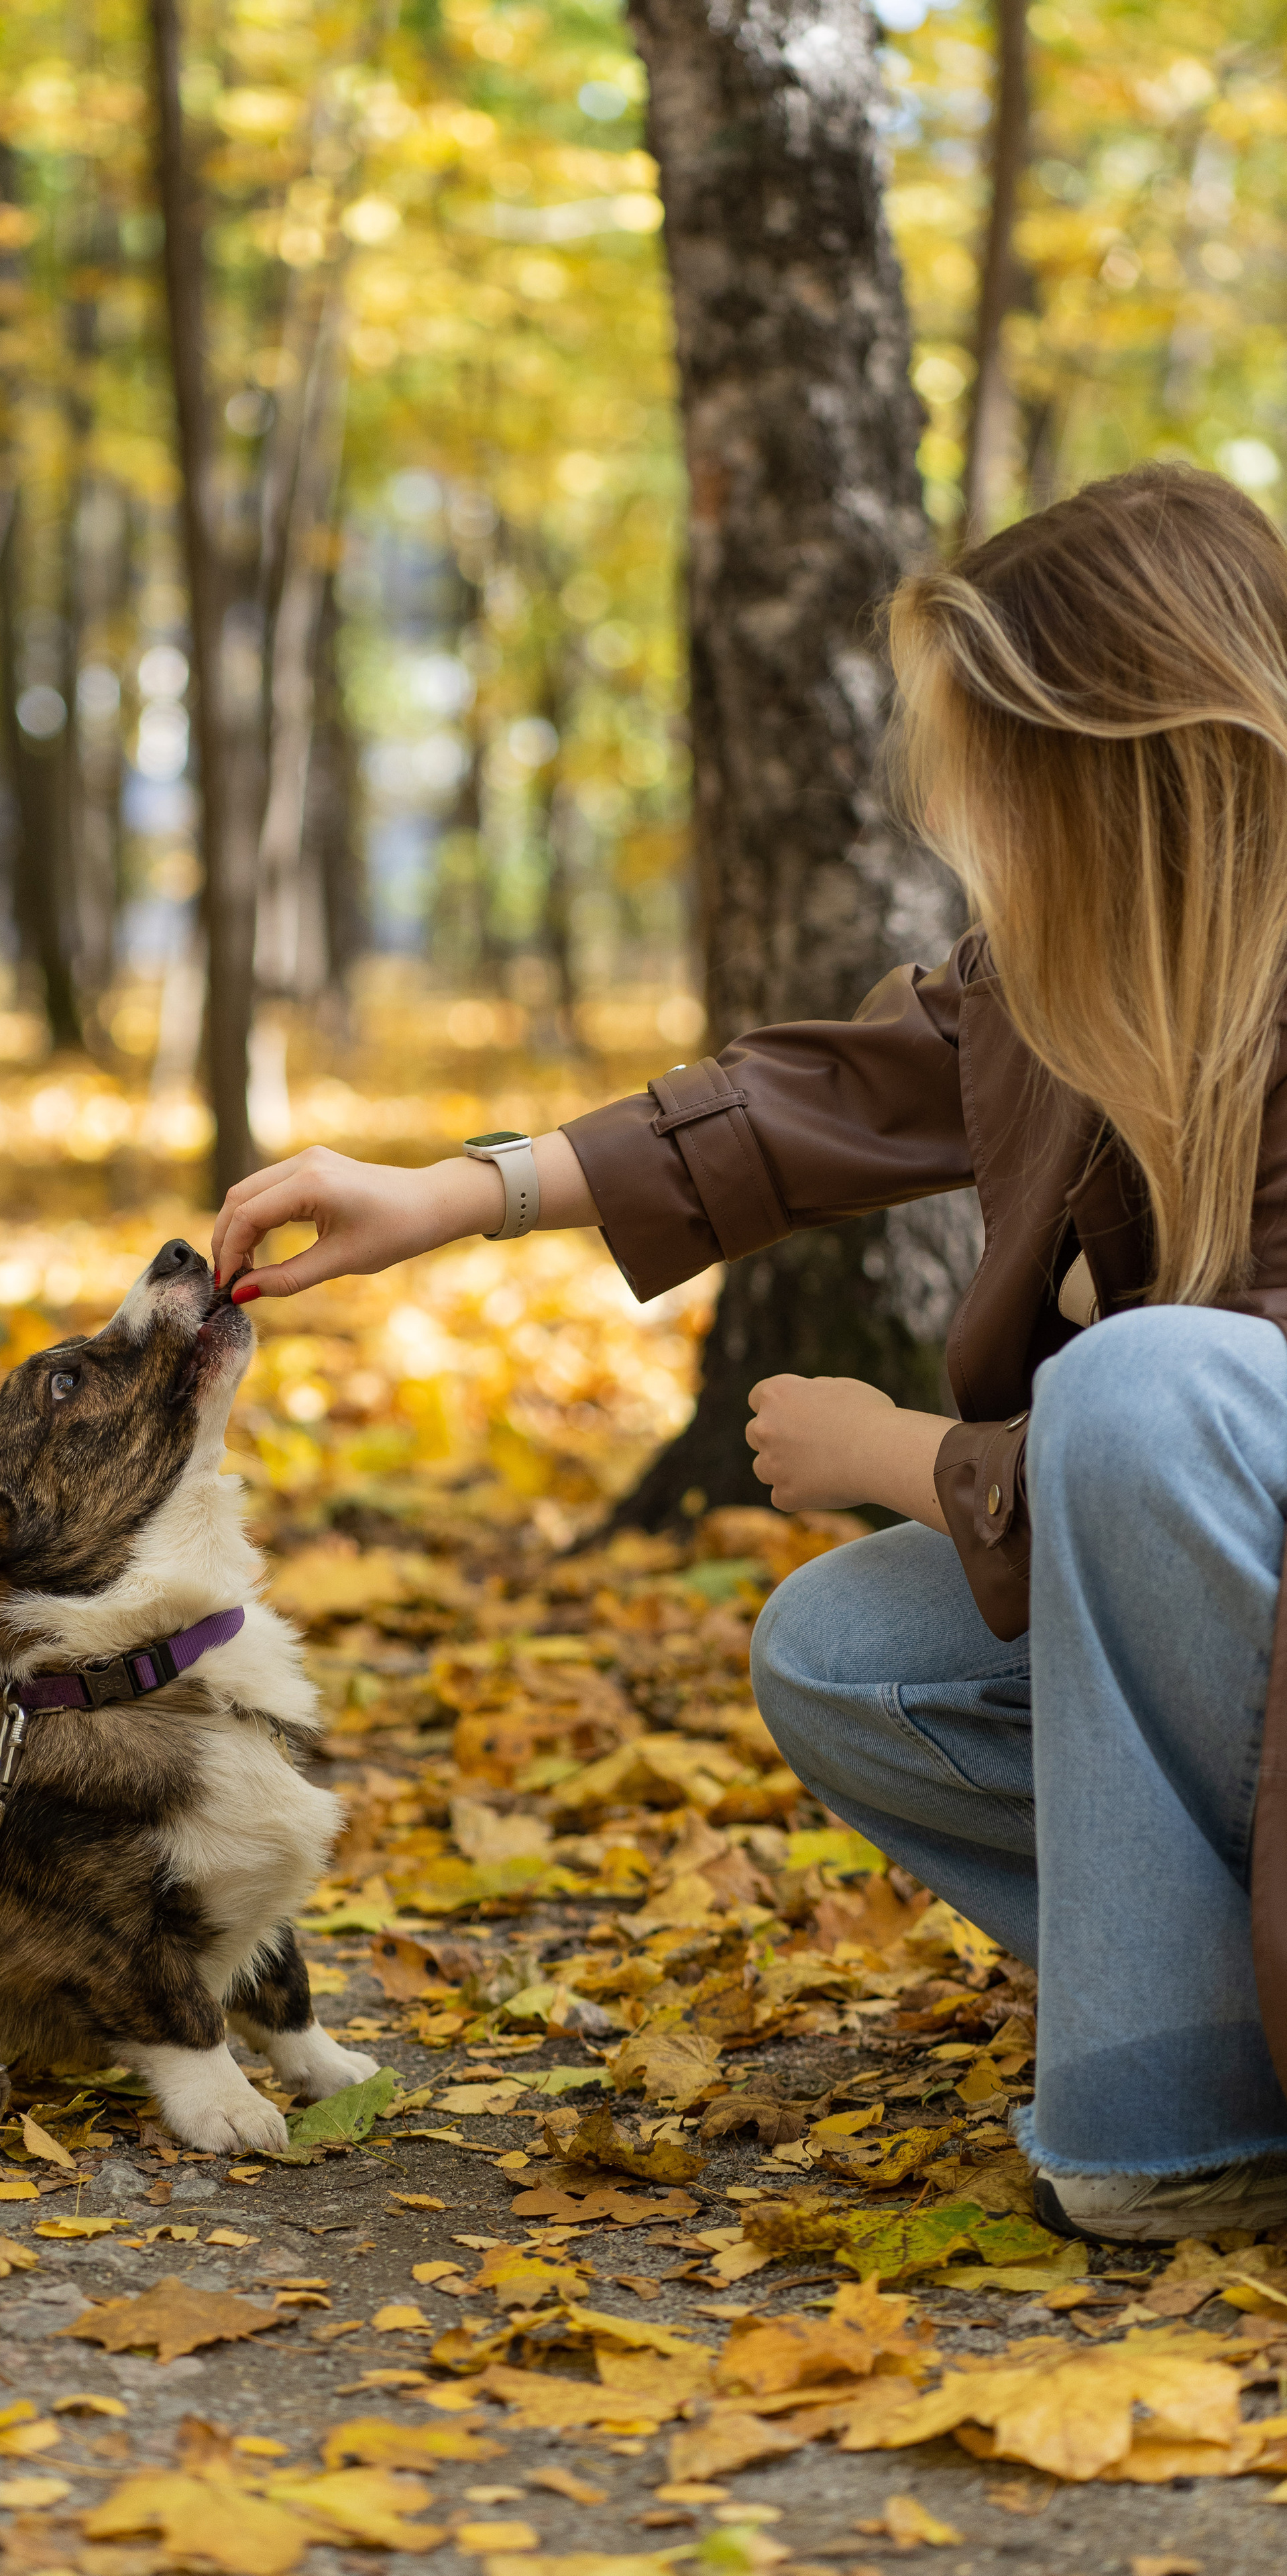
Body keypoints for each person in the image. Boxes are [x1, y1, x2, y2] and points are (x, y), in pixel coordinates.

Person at [210, 462, 1287, 2245]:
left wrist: (895, 1460)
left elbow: (1185, 1415)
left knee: (1139, 1387)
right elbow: (815, 1100)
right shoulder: (1069, 977)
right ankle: (1213, 2075)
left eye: (1004, 778)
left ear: (1136, 756)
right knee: (849, 1650)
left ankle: (1154, 2120)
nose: (978, 834)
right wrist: (460, 1193)